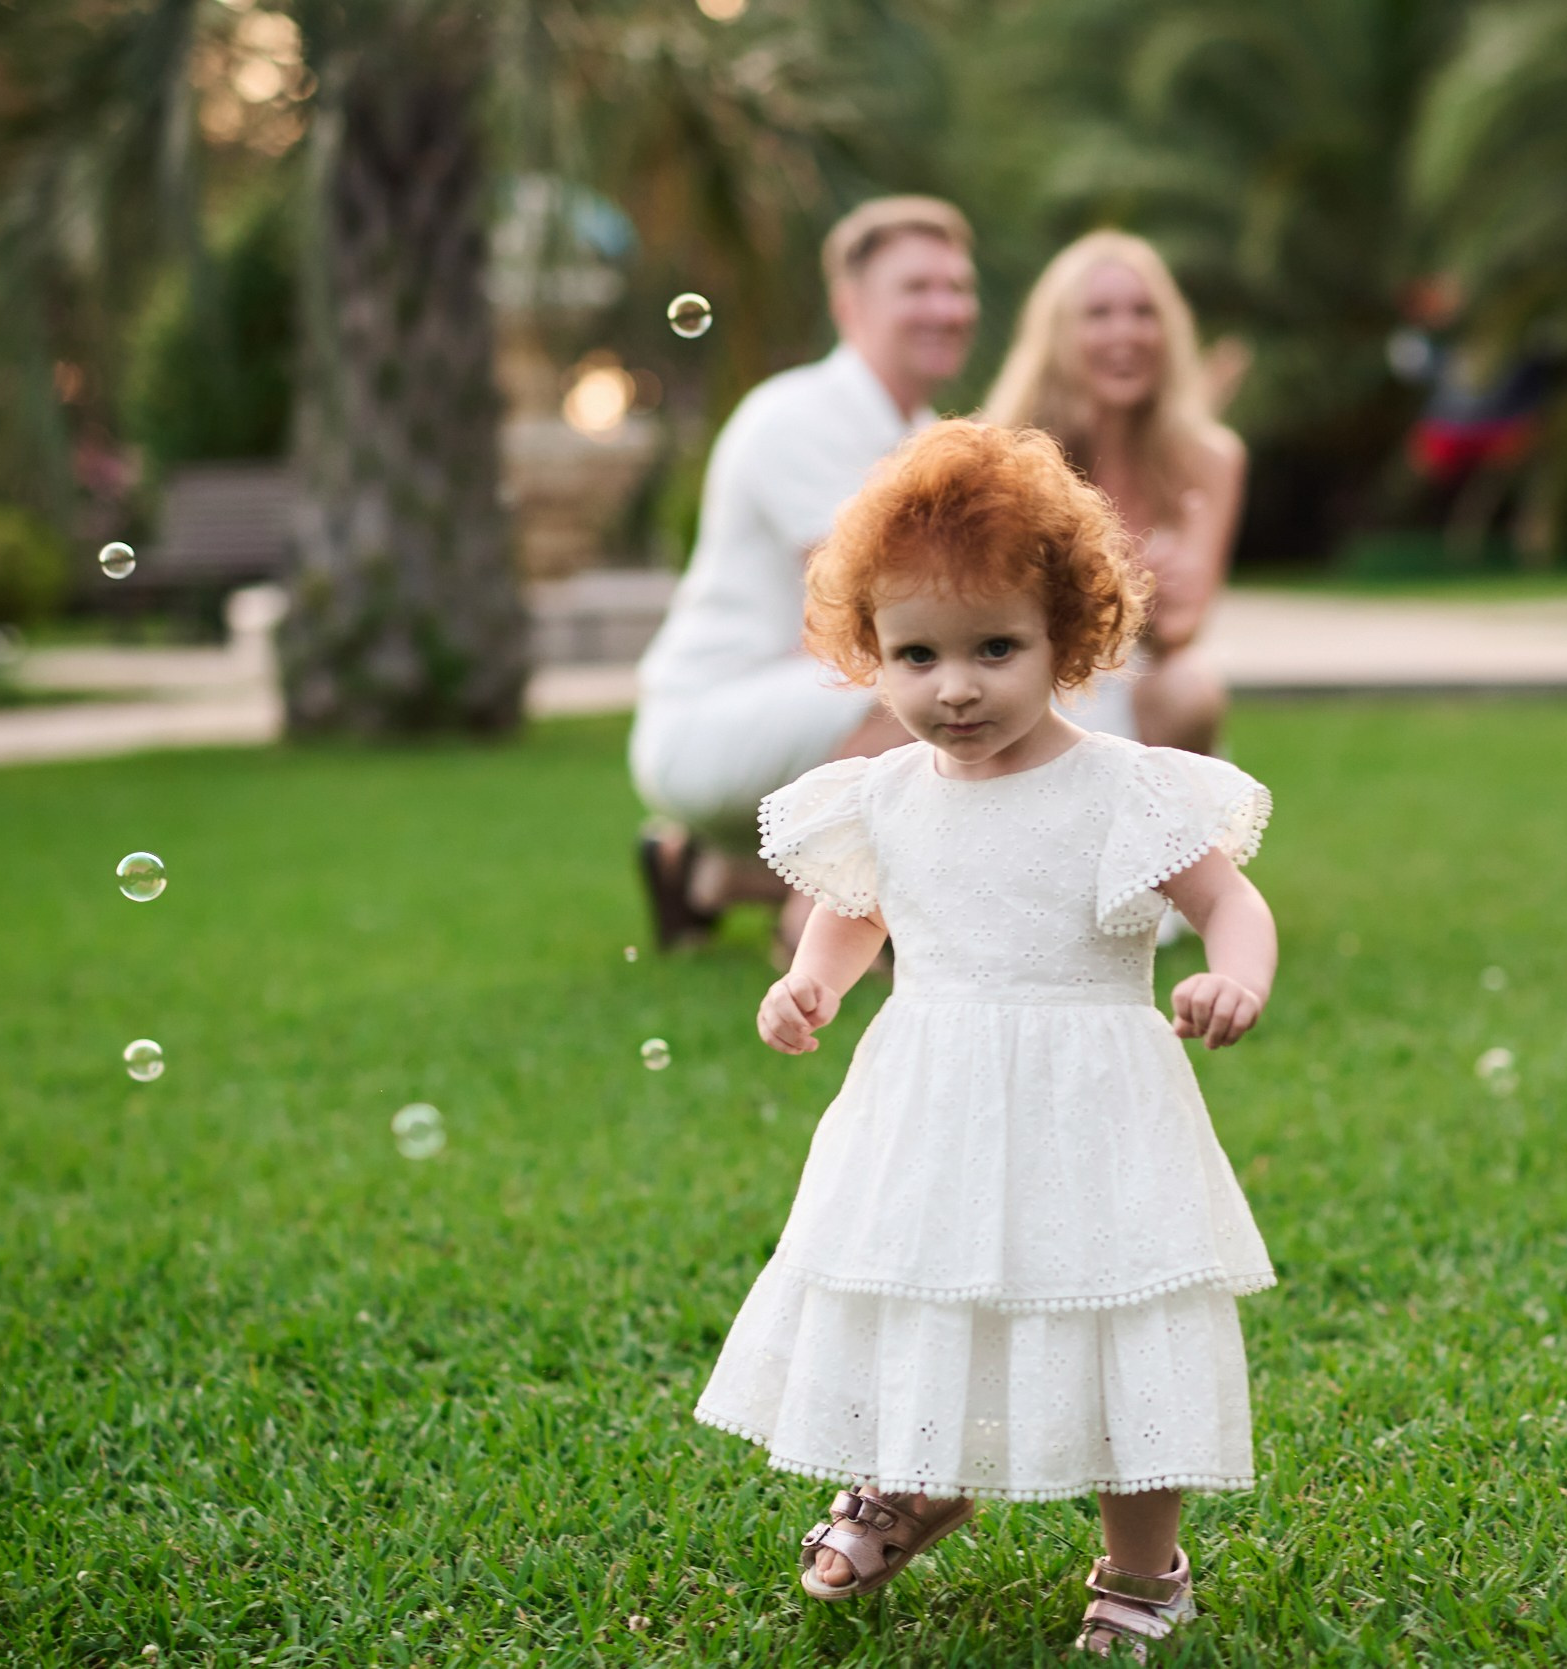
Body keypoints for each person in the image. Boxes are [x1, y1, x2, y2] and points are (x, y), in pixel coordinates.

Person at [692, 421, 1279, 1657]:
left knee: (1116, 1312)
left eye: (994, 649)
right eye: (915, 653)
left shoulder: (1123, 786)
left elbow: (1229, 900)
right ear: (872, 651)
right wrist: (810, 981)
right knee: (918, 1281)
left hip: (1093, 1095)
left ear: (1072, 639)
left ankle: (1142, 1569)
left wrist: (1236, 976)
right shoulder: (886, 794)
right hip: (930, 1091)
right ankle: (914, 1475)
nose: (953, 687)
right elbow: (856, 911)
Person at [629, 197, 978, 954]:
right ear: (849, 305)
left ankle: (704, 873)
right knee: (923, 680)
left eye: (958, 287)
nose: (948, 308)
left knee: (950, 677)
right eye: (918, 288)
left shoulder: (918, 435)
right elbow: (881, 611)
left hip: (797, 711)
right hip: (710, 725)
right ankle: (811, 919)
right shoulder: (797, 415)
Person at [982, 230, 1246, 756]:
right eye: (1099, 314)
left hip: (1141, 670)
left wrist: (1162, 600)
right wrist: (1126, 576)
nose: (1125, 333)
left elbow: (1183, 630)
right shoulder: (1001, 449)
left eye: (1143, 313)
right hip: (1026, 671)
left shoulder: (1210, 458)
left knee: (1191, 689)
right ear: (1057, 334)